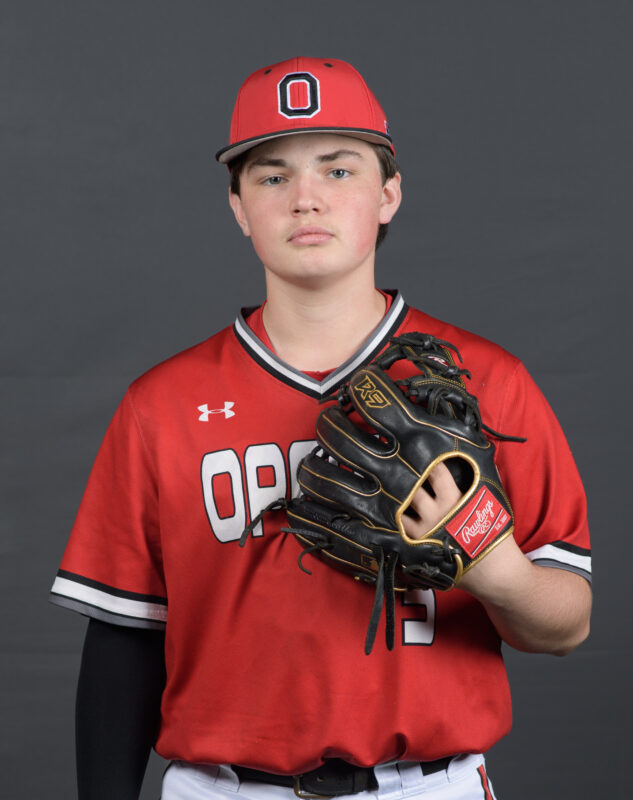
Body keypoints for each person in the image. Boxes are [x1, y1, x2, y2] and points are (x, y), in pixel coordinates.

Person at [50, 57, 592, 800]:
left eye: (338, 170)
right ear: (239, 208)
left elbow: (567, 626)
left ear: (388, 193)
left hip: (428, 787)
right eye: (272, 177)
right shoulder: (161, 406)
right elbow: (124, 640)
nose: (306, 198)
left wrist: (496, 570)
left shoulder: (485, 383)